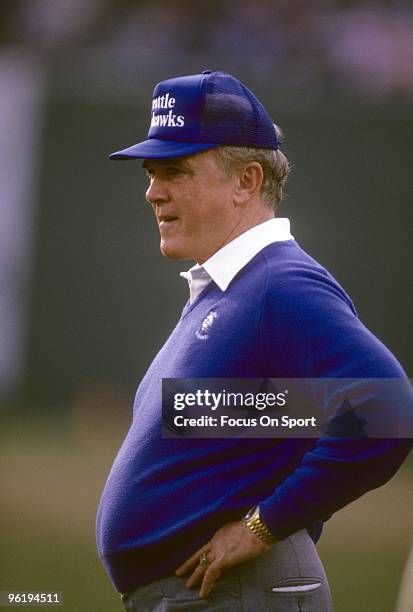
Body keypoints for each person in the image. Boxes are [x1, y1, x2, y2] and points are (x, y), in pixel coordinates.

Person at [96, 70, 412, 611]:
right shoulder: (231, 289)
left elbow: (389, 410)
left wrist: (264, 525)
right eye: (151, 172)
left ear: (246, 181)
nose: (152, 190)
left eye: (174, 169)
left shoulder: (279, 284)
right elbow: (295, 418)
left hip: (239, 593)